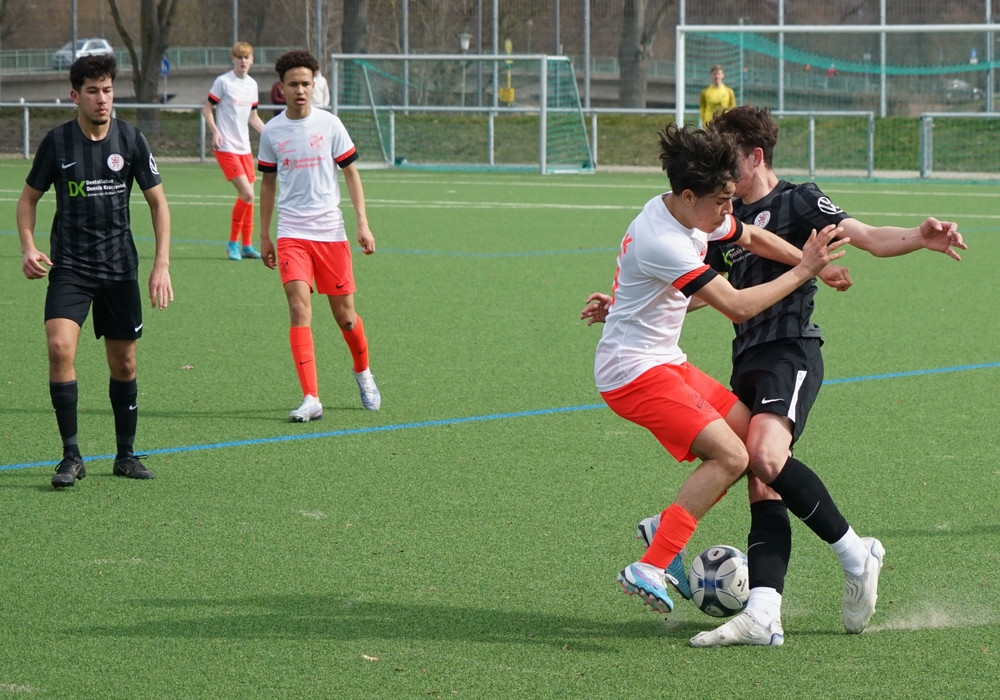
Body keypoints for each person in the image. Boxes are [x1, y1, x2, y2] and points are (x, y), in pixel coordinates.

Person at [621, 105, 967, 647]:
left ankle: (855, 554)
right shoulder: (718, 214)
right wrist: (632, 304)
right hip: (747, 359)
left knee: (762, 456)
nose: (724, 173)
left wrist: (919, 237)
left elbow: (867, 236)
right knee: (761, 477)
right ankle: (764, 612)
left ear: (755, 156)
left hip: (790, 353)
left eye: (731, 159)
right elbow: (707, 292)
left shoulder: (798, 200)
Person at [586, 122, 848, 619]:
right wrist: (805, 270)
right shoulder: (665, 240)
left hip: (664, 360)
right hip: (632, 373)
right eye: (722, 202)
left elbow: (752, 236)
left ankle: (663, 527)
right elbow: (736, 305)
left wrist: (814, 262)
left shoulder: (690, 213)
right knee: (731, 457)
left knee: (752, 443)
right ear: (689, 196)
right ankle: (651, 564)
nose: (730, 211)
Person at [16, 54, 173, 488]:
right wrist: (28, 246)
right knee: (59, 347)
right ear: (75, 96)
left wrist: (161, 265)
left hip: (119, 268)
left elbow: (159, 204)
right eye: (92, 91)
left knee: (124, 362)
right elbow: (27, 200)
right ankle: (71, 456)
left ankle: (125, 455)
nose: (102, 99)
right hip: (71, 267)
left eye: (107, 90)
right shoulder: (57, 142)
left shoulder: (131, 139)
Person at [257, 50, 381, 422]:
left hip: (331, 234)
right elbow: (267, 183)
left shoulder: (330, 125)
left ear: (314, 86)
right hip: (292, 234)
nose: (300, 90)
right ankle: (311, 397)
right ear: (281, 88)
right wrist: (264, 235)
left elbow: (351, 174)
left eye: (306, 84)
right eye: (293, 84)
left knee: (346, 318)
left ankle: (363, 372)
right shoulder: (272, 131)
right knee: (299, 308)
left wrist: (362, 223)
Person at [203, 41, 266, 261]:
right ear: (233, 59)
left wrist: (271, 135)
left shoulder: (252, 85)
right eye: (239, 57)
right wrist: (215, 131)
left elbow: (253, 118)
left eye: (246, 57)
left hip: (244, 149)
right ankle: (232, 244)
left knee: (250, 198)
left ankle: (247, 246)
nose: (243, 61)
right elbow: (207, 109)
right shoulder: (223, 82)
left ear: (252, 60)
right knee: (247, 194)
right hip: (226, 147)